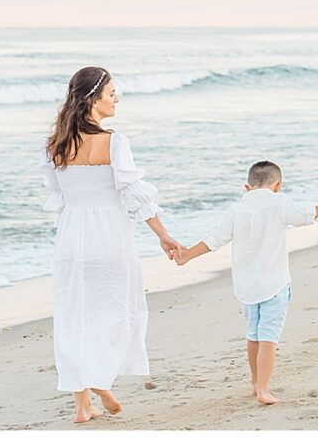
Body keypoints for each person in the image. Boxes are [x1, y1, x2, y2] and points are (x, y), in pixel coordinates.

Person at [40, 66, 184, 423]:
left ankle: (83, 403)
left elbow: (58, 196)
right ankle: (100, 380)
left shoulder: (54, 146)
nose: (116, 99)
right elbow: (136, 195)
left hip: (73, 238)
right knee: (114, 313)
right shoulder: (114, 143)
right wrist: (163, 234)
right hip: (109, 237)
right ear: (93, 99)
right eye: (111, 94)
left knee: (74, 316)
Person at [173, 161, 318, 404]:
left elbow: (214, 240)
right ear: (278, 186)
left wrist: (186, 255)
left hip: (246, 287)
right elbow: (305, 216)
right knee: (269, 337)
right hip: (275, 284)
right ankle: (263, 389)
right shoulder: (280, 202)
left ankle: (254, 382)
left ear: (247, 187)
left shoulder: (236, 209)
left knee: (253, 334)